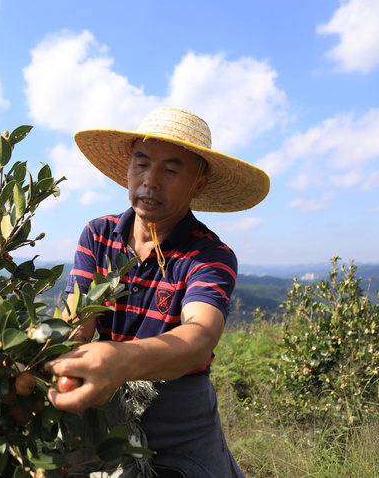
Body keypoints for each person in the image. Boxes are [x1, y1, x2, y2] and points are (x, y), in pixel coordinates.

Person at [45, 108, 270, 478]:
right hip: (102, 408)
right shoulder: (98, 236)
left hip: (179, 422)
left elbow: (199, 337)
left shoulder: (208, 255)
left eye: (171, 170)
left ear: (197, 184)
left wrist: (122, 360)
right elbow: (76, 324)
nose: (150, 181)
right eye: (142, 164)